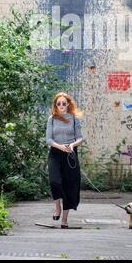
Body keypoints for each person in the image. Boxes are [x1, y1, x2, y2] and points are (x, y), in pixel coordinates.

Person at [46, 92, 84, 228]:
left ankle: (65, 220)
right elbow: (48, 139)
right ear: (55, 105)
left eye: (63, 103)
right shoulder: (52, 119)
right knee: (54, 182)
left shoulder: (74, 119)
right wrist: (60, 147)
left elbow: (80, 138)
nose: (61, 106)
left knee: (70, 187)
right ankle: (57, 208)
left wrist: (72, 145)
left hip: (70, 154)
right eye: (58, 104)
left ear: (68, 104)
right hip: (55, 154)